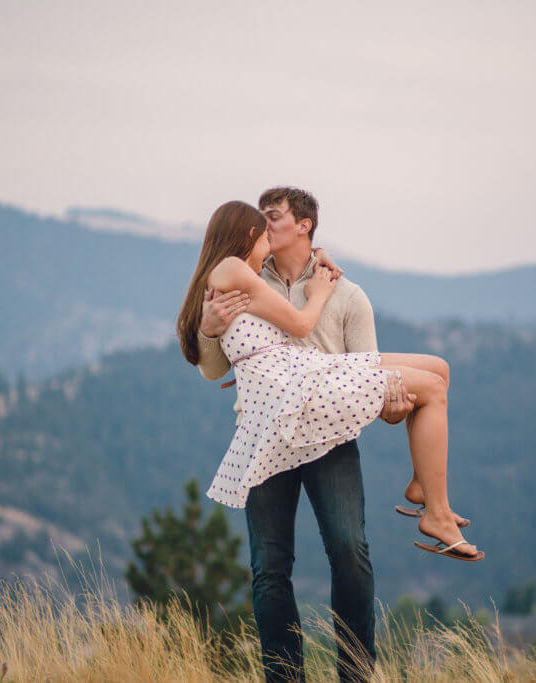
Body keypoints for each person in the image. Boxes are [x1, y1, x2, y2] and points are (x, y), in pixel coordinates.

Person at [177, 190, 482, 681]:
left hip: (328, 422)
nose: (266, 227)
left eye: (274, 218)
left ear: (305, 226)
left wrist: (395, 408)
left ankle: (357, 671)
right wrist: (208, 330)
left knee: (351, 552)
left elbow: (379, 395)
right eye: (261, 221)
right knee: (270, 566)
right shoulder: (250, 275)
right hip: (271, 429)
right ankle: (284, 675)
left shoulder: (345, 294)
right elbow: (214, 369)